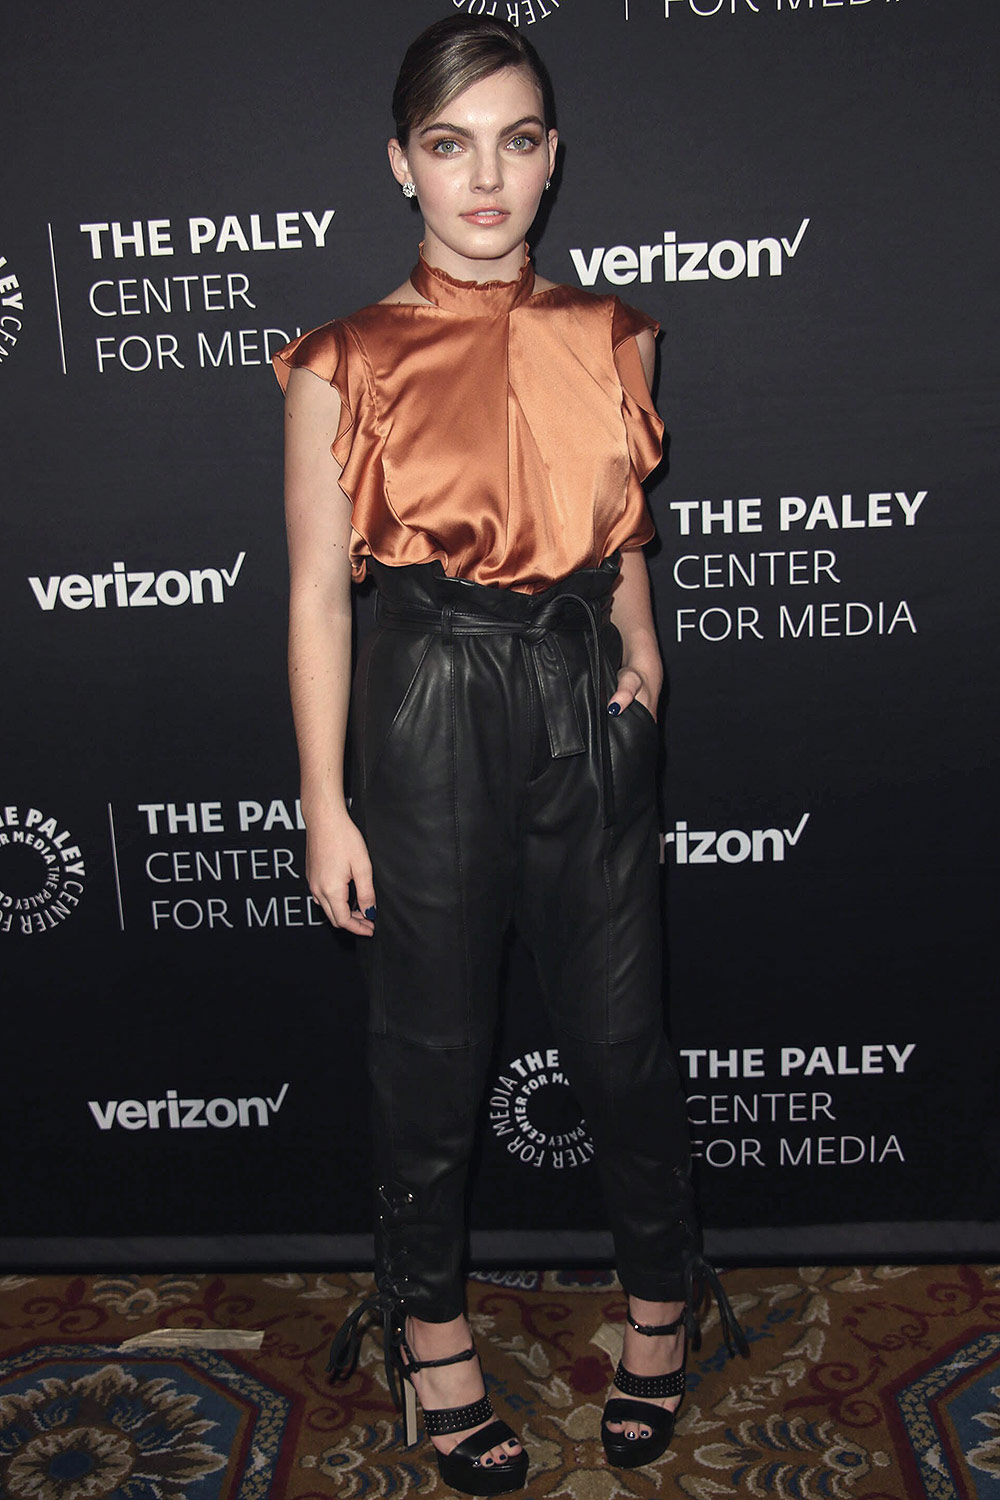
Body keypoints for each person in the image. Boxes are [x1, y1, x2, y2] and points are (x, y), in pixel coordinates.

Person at [274, 16, 746, 1495]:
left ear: (552, 158)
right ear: (400, 160)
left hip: (581, 696)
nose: (487, 178)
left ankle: (664, 1315)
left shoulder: (616, 332)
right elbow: (311, 594)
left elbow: (621, 540)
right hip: (421, 704)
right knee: (429, 1058)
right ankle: (435, 1341)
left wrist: (646, 664)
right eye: (452, 142)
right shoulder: (341, 360)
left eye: (519, 139)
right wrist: (321, 803)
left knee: (620, 1043)